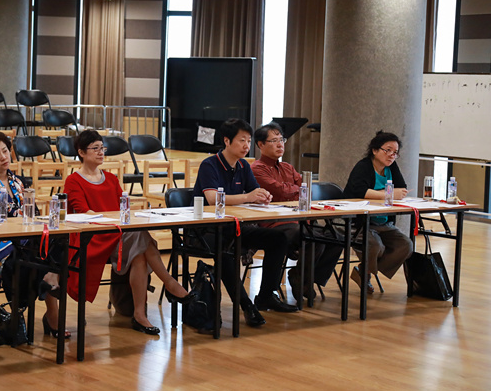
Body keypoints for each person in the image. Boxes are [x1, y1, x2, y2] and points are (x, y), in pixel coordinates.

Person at [63, 129, 194, 336]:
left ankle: (140, 314)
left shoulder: (110, 178)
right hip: (94, 236)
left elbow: (122, 207)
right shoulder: (74, 180)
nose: (101, 152)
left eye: (102, 148)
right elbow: (84, 213)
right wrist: (115, 220)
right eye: (95, 148)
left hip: (118, 234)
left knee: (139, 254)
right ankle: (169, 283)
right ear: (81, 152)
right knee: (141, 238)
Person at [193, 118, 297, 326]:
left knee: (278, 239)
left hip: (234, 226)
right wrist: (249, 197)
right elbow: (213, 199)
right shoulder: (209, 164)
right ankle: (246, 305)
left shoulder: (243, 166)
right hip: (205, 231)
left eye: (249, 141)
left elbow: (255, 191)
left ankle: (266, 295)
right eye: (242, 140)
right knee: (225, 250)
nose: (246, 145)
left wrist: (263, 196)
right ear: (227, 141)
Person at [0, 131, 67, 338]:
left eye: (5, 151)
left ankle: (50, 289)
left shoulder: (19, 182)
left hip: (27, 238)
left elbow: (34, 214)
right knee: (37, 257)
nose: (4, 157)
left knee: (61, 241)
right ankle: (49, 300)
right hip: (0, 244)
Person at [251, 122, 343, 301]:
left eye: (281, 140)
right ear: (261, 145)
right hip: (274, 223)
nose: (280, 144)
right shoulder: (257, 168)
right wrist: (296, 188)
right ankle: (302, 280)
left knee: (336, 238)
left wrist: (295, 189)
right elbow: (280, 191)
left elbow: (307, 189)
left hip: (298, 220)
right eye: (274, 141)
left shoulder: (287, 167)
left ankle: (305, 278)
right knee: (312, 238)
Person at [343, 131, 413, 293]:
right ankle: (367, 273)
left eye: (395, 152)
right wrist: (388, 193)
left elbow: (402, 189)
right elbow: (360, 191)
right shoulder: (364, 166)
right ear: (375, 150)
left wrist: (387, 193)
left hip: (384, 222)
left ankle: (364, 270)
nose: (392, 155)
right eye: (388, 150)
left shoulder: (391, 167)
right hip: (361, 223)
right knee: (376, 246)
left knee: (405, 245)